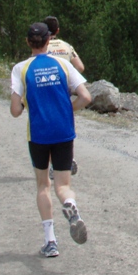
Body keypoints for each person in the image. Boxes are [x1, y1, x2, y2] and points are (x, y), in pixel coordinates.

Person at [10, 22, 91, 258]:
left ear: (28, 42)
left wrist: (25, 102)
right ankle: (71, 205)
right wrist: (68, 109)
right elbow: (86, 96)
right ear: (49, 41)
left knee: (43, 185)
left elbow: (15, 111)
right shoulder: (62, 64)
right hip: (63, 130)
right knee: (63, 186)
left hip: (38, 133)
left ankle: (51, 241)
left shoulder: (20, 69)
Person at [45, 15, 84, 176]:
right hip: (63, 91)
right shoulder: (67, 46)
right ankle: (68, 158)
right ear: (58, 30)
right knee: (65, 126)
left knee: (47, 128)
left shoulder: (43, 46)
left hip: (46, 90)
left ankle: (53, 165)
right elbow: (80, 67)